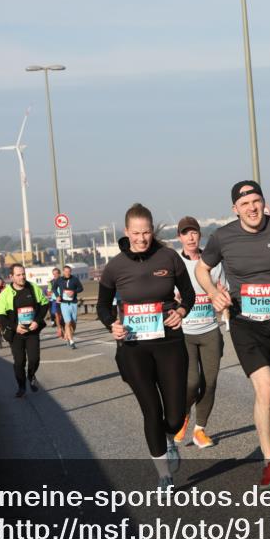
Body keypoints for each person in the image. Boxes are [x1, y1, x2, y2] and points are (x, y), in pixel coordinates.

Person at [196, 181, 270, 489]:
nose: (252, 207)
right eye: (245, 203)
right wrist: (212, 293)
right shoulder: (222, 237)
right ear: (235, 209)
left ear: (264, 202)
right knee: (265, 390)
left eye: (257, 201)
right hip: (246, 325)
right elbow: (201, 269)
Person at [97, 204, 195, 489]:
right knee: (151, 410)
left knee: (175, 415)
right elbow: (103, 306)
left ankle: (169, 437)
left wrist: (182, 311)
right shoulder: (115, 266)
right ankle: (163, 474)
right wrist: (110, 324)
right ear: (126, 232)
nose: (141, 238)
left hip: (168, 341)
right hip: (133, 346)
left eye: (147, 232)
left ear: (153, 231)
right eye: (136, 233)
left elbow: (187, 293)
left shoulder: (169, 257)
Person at [174, 216, 226, 448]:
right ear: (180, 237)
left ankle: (200, 430)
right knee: (191, 383)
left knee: (211, 381)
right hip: (184, 332)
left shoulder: (212, 262)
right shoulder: (175, 263)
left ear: (199, 235)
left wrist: (223, 300)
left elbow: (224, 293)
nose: (191, 237)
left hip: (210, 330)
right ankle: (184, 414)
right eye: (186, 233)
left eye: (194, 232)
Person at [0, 264, 48, 398]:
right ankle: (21, 386)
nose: (22, 277)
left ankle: (31, 376)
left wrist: (37, 321)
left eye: (23, 274)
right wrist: (14, 327)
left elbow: (44, 304)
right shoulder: (5, 294)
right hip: (16, 333)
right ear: (11, 277)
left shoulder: (33, 287)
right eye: (18, 275)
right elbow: (0, 315)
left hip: (32, 331)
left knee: (34, 359)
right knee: (19, 362)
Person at [59, 265, 84, 349]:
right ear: (63, 272)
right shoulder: (59, 280)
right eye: (65, 271)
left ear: (71, 271)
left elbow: (81, 288)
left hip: (73, 303)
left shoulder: (75, 279)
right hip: (64, 304)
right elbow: (54, 288)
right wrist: (57, 295)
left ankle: (68, 336)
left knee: (73, 323)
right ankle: (71, 341)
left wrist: (74, 291)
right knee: (68, 322)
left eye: (68, 271)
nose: (67, 273)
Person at [47, 267, 65, 341]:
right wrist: (51, 292)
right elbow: (48, 292)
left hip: (63, 300)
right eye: (53, 274)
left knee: (63, 316)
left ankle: (64, 328)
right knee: (57, 315)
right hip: (55, 300)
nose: (55, 275)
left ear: (59, 274)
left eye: (56, 274)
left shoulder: (63, 280)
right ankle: (59, 329)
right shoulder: (51, 282)